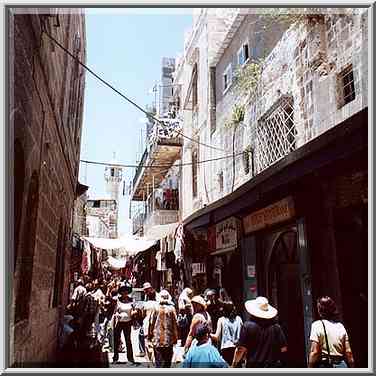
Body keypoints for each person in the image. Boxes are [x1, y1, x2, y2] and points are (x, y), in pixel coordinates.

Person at [232, 296, 287, 368]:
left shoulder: (247, 326)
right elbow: (283, 349)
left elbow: (241, 349)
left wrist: (233, 365)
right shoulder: (276, 327)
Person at [308, 296, 354, 368]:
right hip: (342, 366)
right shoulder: (340, 326)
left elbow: (314, 352)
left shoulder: (317, 325)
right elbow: (348, 352)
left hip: (326, 366)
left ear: (320, 310)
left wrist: (309, 368)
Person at [148, 290, 178, 368]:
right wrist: (176, 337)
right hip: (169, 340)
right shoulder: (172, 309)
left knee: (159, 361)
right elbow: (175, 324)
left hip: (157, 339)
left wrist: (150, 335)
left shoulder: (155, 308)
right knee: (167, 363)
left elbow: (151, 322)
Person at [112, 283, 136, 364]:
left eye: (126, 291)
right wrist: (117, 315)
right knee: (116, 340)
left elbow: (134, 310)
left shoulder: (131, 300)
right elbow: (114, 311)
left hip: (128, 323)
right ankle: (115, 358)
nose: (124, 293)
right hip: (119, 323)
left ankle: (130, 359)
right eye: (123, 291)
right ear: (121, 292)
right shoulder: (117, 300)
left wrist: (134, 312)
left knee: (128, 340)